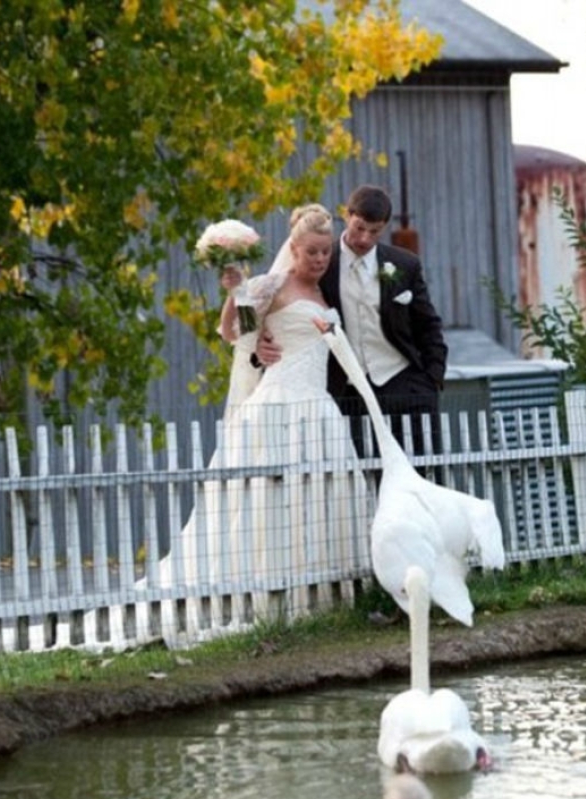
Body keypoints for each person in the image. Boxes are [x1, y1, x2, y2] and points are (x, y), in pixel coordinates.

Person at [137, 205, 370, 622]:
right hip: (279, 402)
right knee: (268, 494)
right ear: (294, 249)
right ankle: (261, 592)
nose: (319, 260)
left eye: (325, 253)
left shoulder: (322, 294)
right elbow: (234, 331)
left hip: (318, 406)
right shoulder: (272, 286)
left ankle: (320, 592)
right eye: (311, 252)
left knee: (317, 493)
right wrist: (239, 301)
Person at [256, 185, 448, 463]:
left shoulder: (405, 265)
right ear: (347, 215)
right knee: (359, 484)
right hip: (343, 392)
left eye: (375, 231)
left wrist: (432, 379)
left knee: (422, 476)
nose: (365, 238)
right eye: (359, 228)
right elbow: (278, 304)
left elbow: (429, 326)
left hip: (403, 386)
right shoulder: (321, 261)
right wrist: (259, 344)